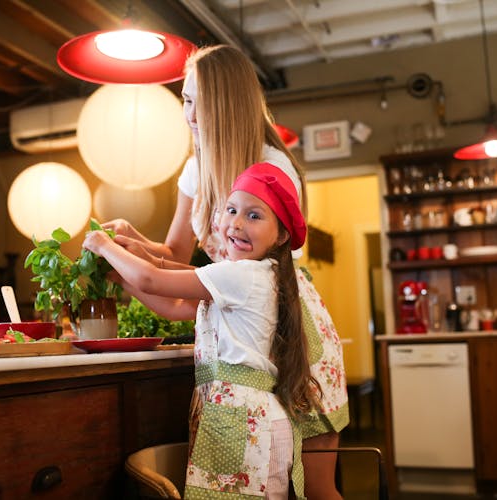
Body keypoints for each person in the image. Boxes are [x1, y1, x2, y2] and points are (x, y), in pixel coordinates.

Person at [102, 44, 349, 499]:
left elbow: (259, 269)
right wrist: (131, 241)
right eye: (185, 100)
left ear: (228, 101)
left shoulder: (272, 165)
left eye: (200, 101)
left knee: (315, 485)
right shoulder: (196, 168)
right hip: (239, 322)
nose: (189, 114)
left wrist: (131, 262)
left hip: (289, 327)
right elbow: (176, 254)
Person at [83, 163, 317, 499]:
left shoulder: (244, 276)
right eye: (232, 210)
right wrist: (121, 277)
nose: (236, 223)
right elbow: (174, 306)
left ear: (280, 235)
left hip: (246, 421)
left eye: (254, 216)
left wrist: (105, 246)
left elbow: (151, 278)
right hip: (240, 418)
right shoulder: (246, 276)